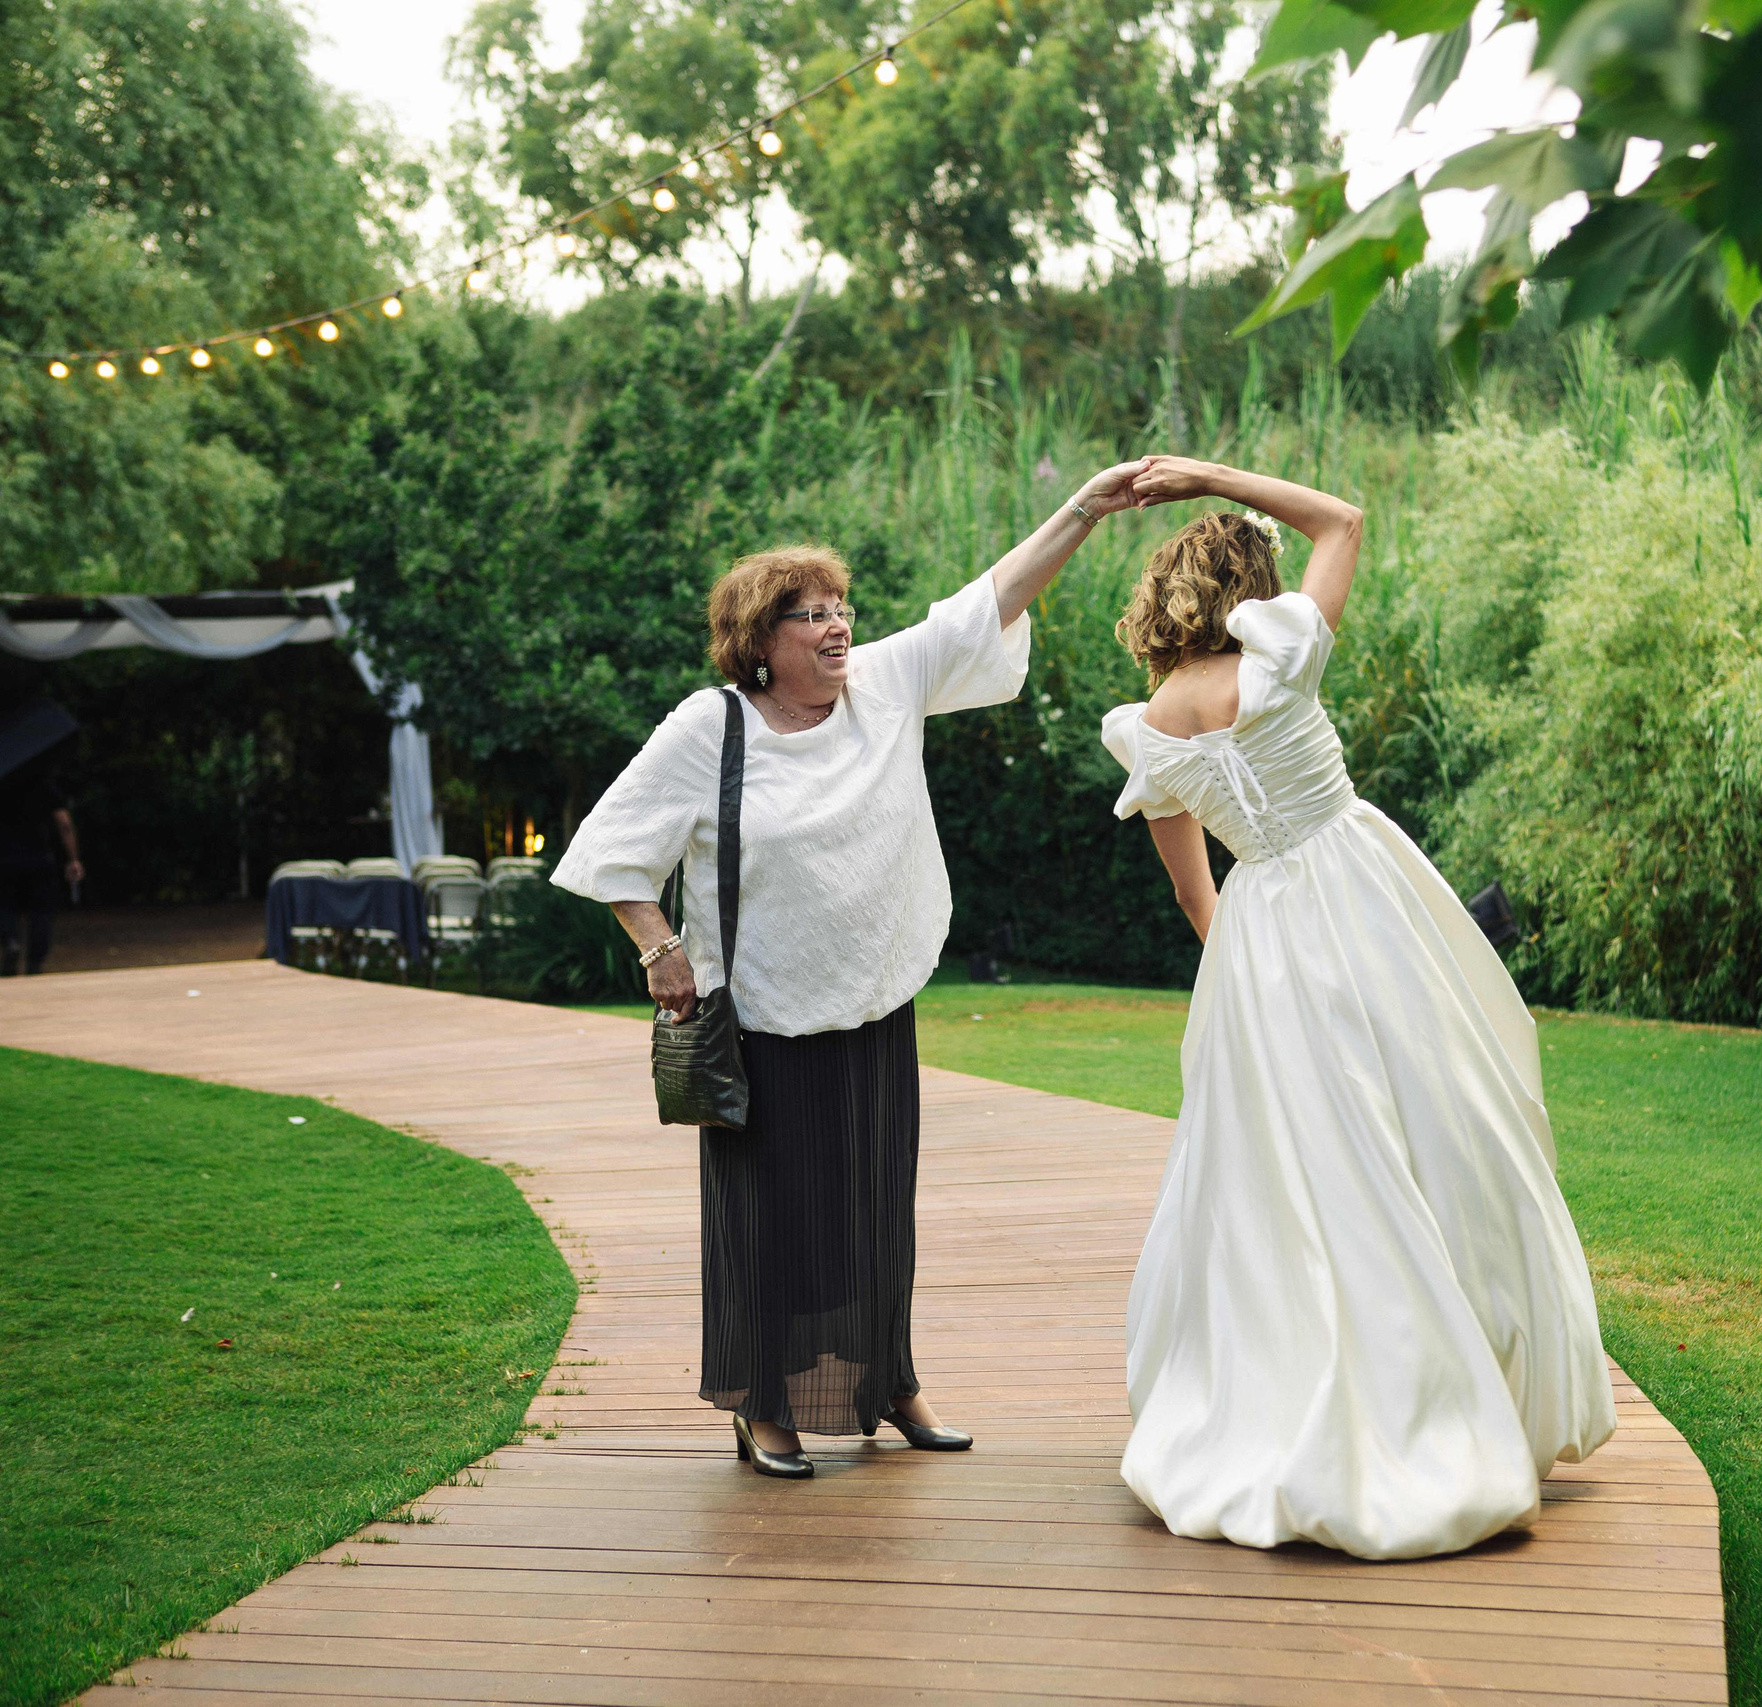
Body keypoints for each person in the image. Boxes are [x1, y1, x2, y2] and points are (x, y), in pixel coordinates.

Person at [553, 459, 1150, 1478]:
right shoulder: (710, 728)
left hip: (873, 1001)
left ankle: (888, 1381)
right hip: (760, 1017)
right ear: (760, 641)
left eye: (841, 610)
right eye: (812, 616)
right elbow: (614, 847)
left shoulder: (882, 687)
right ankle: (765, 1404)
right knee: (772, 1219)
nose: (837, 628)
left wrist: (1085, 508)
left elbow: (987, 603)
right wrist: (658, 947)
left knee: (875, 1207)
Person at [1099, 458, 1618, 1559]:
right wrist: (1207, 476)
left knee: (1287, 1160)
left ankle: (1291, 1388)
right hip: (1363, 893)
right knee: (1443, 1111)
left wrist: (1254, 977)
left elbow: (1194, 891)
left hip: (1260, 932)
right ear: (1247, 587)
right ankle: (1463, 1383)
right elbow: (1342, 518)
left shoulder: (1150, 728)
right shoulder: (1281, 656)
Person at [0, 764, 80, 977]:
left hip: (4, 859)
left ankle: (10, 941)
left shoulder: (3, 780)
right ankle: (35, 962)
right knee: (42, 912)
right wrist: (73, 859)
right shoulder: (43, 784)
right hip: (39, 857)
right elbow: (64, 823)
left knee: (4, 906)